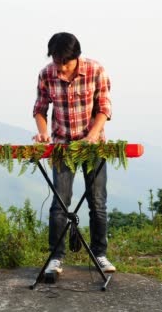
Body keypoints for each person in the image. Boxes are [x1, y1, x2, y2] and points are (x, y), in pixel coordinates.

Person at [32, 32, 116, 275]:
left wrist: (92, 135)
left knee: (97, 203)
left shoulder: (95, 70)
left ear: (76, 58)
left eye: (64, 63)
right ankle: (55, 258)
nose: (60, 68)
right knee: (59, 204)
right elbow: (40, 109)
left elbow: (104, 108)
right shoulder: (47, 74)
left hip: (92, 147)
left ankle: (100, 254)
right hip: (62, 146)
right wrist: (43, 133)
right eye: (56, 61)